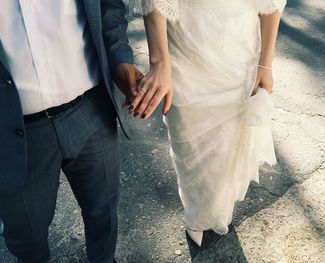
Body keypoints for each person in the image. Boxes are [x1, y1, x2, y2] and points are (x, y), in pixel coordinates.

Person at [128, 0, 287, 246]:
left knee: (229, 145)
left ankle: (219, 209)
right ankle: (197, 213)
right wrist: (159, 63)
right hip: (185, 53)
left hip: (239, 53)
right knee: (191, 147)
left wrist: (266, 62)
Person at [0, 1, 147, 262]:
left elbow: (108, 6)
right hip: (11, 132)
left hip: (91, 109)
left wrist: (119, 60)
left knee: (104, 214)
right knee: (26, 237)